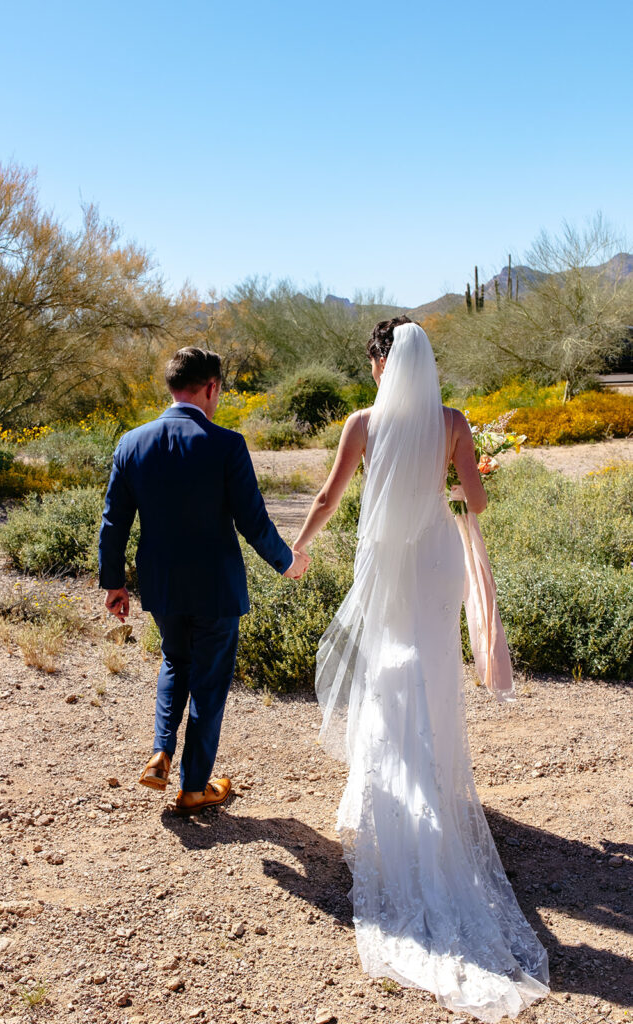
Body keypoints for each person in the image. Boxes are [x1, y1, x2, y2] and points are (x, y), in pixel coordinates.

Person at [293, 319, 549, 1022]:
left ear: (380, 364)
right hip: (436, 554)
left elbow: (327, 497)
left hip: (387, 557)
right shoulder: (453, 420)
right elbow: (477, 500)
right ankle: (433, 781)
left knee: (388, 667)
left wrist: (299, 547)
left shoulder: (362, 422)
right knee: (429, 667)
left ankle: (389, 793)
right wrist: (467, 467)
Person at [99, 347, 309, 816]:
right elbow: (253, 523)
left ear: (173, 386)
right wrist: (287, 562)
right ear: (210, 387)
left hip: (162, 584)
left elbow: (114, 521)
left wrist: (114, 583)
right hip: (215, 587)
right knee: (210, 682)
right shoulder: (226, 444)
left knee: (175, 661)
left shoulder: (131, 443)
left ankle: (161, 752)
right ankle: (194, 787)